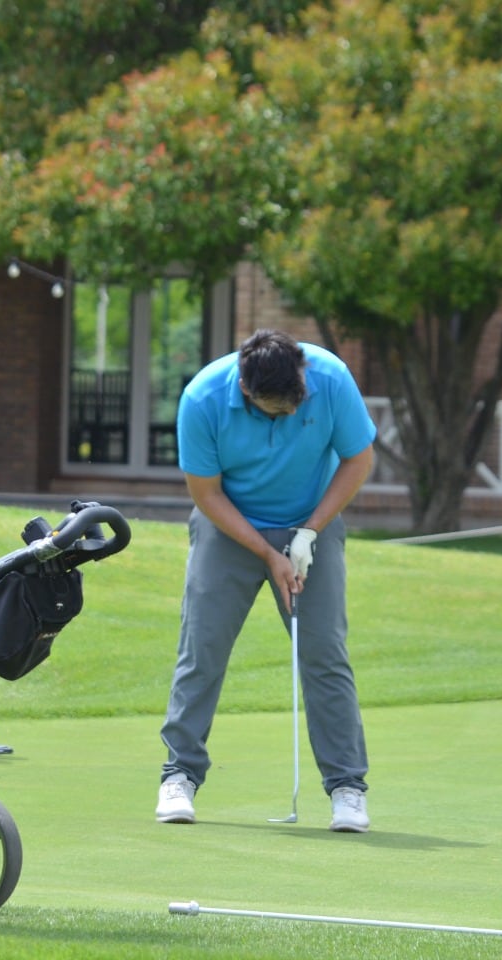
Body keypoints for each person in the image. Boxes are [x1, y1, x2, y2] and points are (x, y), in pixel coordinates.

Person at [157, 328, 378, 832]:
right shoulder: (203, 398)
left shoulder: (332, 379)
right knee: (203, 649)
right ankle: (179, 775)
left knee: (324, 653)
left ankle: (347, 788)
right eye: (275, 411)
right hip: (228, 525)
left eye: (293, 407)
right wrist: (266, 551)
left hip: (310, 520)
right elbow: (206, 494)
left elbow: (358, 458)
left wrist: (309, 533)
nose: (287, 417)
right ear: (244, 391)